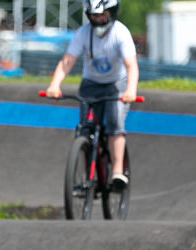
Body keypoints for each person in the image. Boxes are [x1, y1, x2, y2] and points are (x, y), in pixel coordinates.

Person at [45, 0, 138, 192]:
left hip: (116, 85)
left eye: (101, 14)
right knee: (84, 130)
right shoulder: (83, 33)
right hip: (91, 84)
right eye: (93, 15)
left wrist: (130, 90)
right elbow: (67, 61)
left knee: (114, 125)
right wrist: (54, 85)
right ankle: (89, 174)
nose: (97, 19)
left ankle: (118, 172)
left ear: (111, 13)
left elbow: (131, 65)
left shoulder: (121, 33)